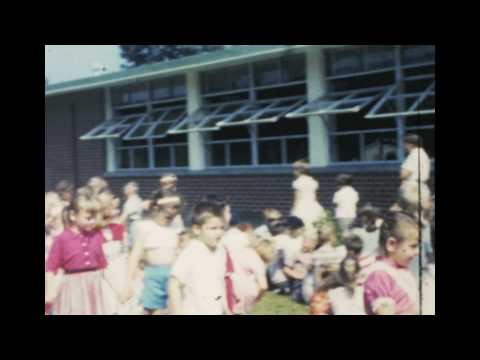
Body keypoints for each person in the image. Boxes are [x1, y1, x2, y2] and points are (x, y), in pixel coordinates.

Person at [45, 192, 111, 315]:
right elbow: (51, 267)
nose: (93, 222)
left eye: (95, 218)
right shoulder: (61, 239)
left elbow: (104, 265)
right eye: (88, 218)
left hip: (93, 285)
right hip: (72, 286)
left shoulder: (96, 236)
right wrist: (50, 289)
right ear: (73, 216)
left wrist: (117, 288)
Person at [121, 190, 182, 315]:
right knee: (154, 310)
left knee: (174, 308)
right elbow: (135, 254)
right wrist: (128, 281)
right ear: (155, 208)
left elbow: (179, 250)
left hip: (173, 273)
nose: (172, 215)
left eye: (176, 210)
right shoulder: (146, 227)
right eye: (167, 214)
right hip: (153, 275)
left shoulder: (176, 227)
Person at [168, 202, 228, 315]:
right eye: (213, 228)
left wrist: (226, 309)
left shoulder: (221, 251)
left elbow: (220, 283)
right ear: (197, 229)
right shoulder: (191, 252)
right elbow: (174, 285)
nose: (219, 233)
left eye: (222, 228)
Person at [363, 211, 420, 315]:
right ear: (391, 244)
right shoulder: (380, 275)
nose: (417, 252)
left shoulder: (400, 269)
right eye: (413, 246)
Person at [224, 239, 272, 315]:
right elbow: (263, 286)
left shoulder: (243, 252)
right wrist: (258, 298)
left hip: (229, 285)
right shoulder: (258, 261)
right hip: (245, 290)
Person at [268, 216, 305, 294]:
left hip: (293, 270)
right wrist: (297, 276)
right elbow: (282, 265)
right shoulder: (280, 240)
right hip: (281, 274)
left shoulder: (299, 239)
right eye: (301, 229)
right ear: (295, 229)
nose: (303, 231)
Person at [400, 134, 432, 218]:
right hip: (422, 186)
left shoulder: (414, 155)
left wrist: (401, 175)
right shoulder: (423, 154)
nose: (404, 146)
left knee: (408, 215)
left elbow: (404, 174)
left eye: (405, 143)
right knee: (423, 215)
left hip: (412, 187)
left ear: (410, 144)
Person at [291, 160, 326, 233]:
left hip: (302, 206)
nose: (293, 172)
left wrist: (293, 210)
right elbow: (315, 198)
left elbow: (297, 198)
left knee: (302, 227)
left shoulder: (297, 182)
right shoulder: (313, 182)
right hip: (313, 205)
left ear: (299, 171)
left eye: (294, 169)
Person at [119, 181, 144, 250]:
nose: (124, 189)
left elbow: (125, 215)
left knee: (133, 247)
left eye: (127, 188)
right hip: (131, 225)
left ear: (133, 190)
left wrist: (116, 225)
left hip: (133, 225)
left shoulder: (133, 200)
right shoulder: (131, 200)